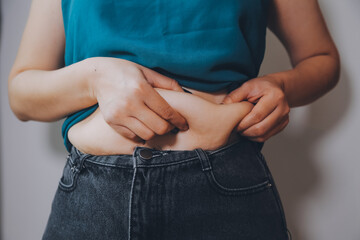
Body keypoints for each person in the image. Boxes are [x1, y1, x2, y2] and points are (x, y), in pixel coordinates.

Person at [8, 0, 340, 239]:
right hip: (94, 195)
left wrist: (281, 86)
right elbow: (21, 95)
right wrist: (95, 79)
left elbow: (321, 58)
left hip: (225, 189)